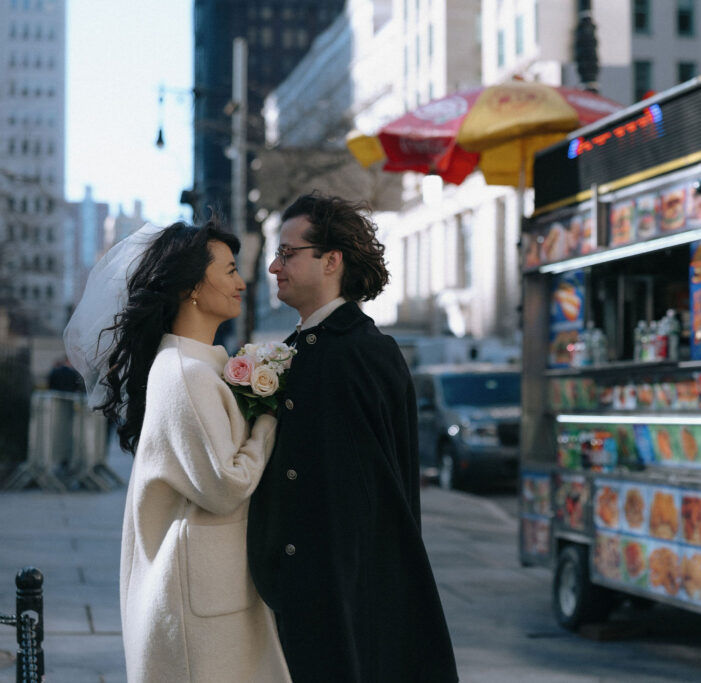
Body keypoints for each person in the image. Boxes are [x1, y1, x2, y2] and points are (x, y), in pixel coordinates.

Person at [64, 220, 291, 682]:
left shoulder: (200, 366)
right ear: (191, 285)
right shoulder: (185, 372)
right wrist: (269, 418)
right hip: (198, 608)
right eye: (228, 271)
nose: (240, 283)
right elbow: (227, 484)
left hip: (212, 594)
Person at [247, 192, 458, 682]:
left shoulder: (368, 352)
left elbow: (391, 490)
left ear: (331, 260)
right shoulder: (292, 351)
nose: (275, 266)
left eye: (288, 253)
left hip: (346, 592)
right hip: (298, 591)